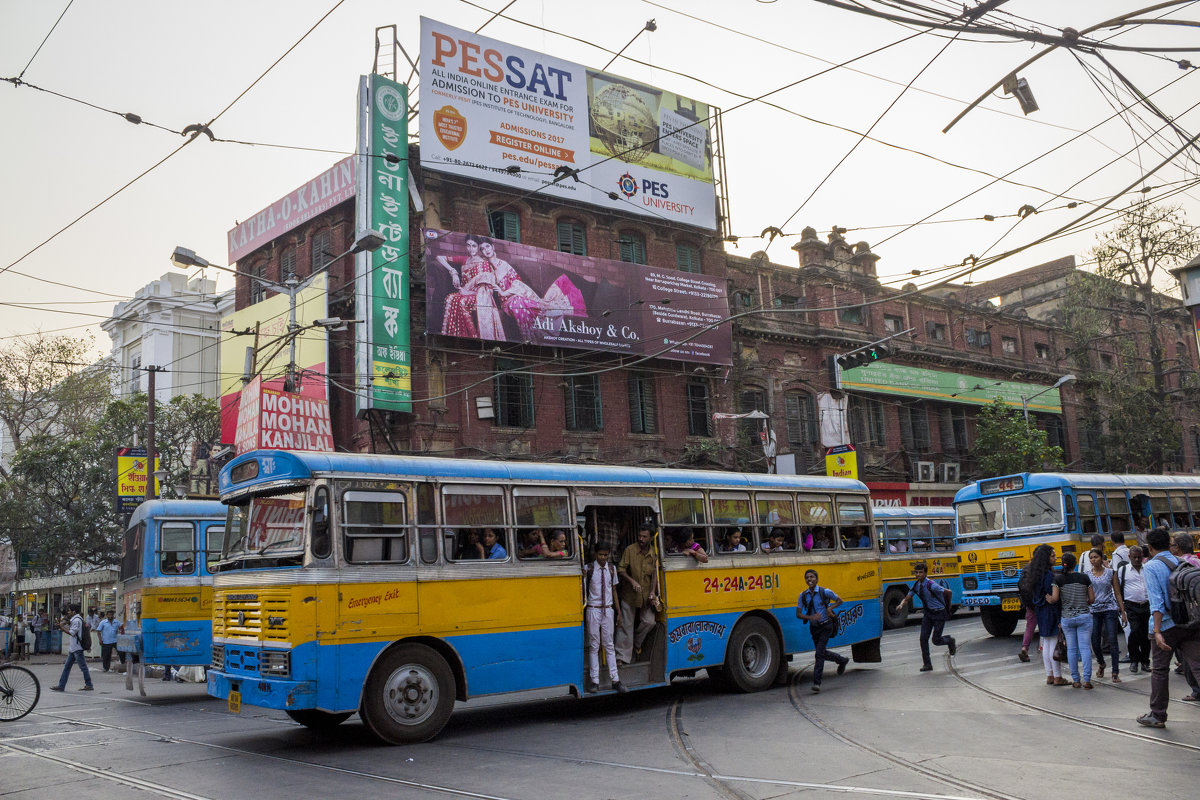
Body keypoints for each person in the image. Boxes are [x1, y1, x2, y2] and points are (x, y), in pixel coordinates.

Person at [1137, 527, 1200, 728]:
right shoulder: (1180, 561)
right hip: (1189, 622)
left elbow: (1156, 602)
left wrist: (1156, 631)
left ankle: (1157, 715)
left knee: (1160, 670)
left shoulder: (1151, 566)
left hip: (1165, 626)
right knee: (1198, 665)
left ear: (1150, 547)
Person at [437, 236, 503, 339]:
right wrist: (453, 271)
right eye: (468, 245)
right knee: (450, 298)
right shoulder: (464, 260)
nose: (471, 249)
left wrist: (468, 293)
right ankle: (454, 336)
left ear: (478, 247)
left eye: (474, 246)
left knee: (462, 301)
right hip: (463, 292)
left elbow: (486, 290)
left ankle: (473, 336)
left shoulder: (484, 263)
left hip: (480, 296)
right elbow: (439, 258)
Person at [895, 562, 957, 672]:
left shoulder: (931, 585)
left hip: (938, 613)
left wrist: (948, 607)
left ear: (925, 573)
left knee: (936, 640)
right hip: (928, 614)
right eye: (916, 572)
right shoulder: (916, 585)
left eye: (920, 572)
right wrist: (901, 604)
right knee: (923, 639)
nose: (918, 575)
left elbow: (948, 592)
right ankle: (927, 664)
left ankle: (950, 641)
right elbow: (907, 597)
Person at [1019, 544, 1067, 685]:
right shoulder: (1048, 575)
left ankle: (1049, 675)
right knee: (1054, 643)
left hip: (1040, 610)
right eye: (1053, 556)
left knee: (1046, 643)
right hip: (1050, 610)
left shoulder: (1034, 574)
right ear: (1046, 558)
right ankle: (1057, 676)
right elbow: (1053, 595)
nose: (1055, 558)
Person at [797, 569, 848, 692]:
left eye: (812, 577)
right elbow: (798, 614)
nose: (809, 579)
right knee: (821, 652)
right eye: (807, 578)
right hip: (814, 628)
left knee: (819, 654)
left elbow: (840, 600)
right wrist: (810, 617)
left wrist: (830, 608)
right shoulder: (803, 595)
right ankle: (842, 660)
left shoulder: (825, 592)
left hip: (826, 626)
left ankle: (817, 683)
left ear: (817, 579)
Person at [616, 526, 660, 665]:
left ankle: (635, 644)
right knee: (626, 626)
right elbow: (621, 569)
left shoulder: (654, 554)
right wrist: (632, 581)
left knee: (649, 622)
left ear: (651, 538)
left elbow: (654, 576)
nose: (641, 539)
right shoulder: (630, 550)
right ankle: (622, 657)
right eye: (640, 536)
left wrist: (653, 592)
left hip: (646, 596)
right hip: (629, 595)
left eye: (644, 537)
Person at [584, 545, 624, 693]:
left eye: (606, 555)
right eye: (601, 555)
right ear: (595, 554)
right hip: (593, 609)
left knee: (609, 645)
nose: (603, 558)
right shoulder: (588, 569)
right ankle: (595, 681)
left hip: (608, 609)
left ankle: (615, 679)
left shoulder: (611, 569)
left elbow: (613, 590)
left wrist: (618, 611)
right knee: (594, 646)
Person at [1086, 548, 1126, 682]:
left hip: (1110, 608)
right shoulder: (1087, 575)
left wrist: (1123, 612)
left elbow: (1117, 592)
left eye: (1095, 557)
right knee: (1095, 641)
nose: (1093, 560)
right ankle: (1101, 663)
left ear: (1101, 558)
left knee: (1113, 640)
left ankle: (1115, 672)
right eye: (1091, 557)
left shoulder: (1110, 573)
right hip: (1094, 611)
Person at [1118, 546, 1151, 674]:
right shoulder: (1123, 570)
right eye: (1134, 557)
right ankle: (1134, 660)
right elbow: (1118, 590)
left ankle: (1145, 661)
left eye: (1139, 557)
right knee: (1134, 631)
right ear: (1129, 557)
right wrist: (1121, 609)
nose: (1137, 560)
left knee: (1146, 635)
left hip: (1146, 605)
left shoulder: (1147, 568)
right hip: (1131, 606)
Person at [49, 604, 94, 692]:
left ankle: (89, 684)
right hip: (73, 648)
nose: (68, 612)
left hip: (77, 648)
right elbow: (70, 623)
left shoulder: (77, 620)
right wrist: (64, 623)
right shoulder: (76, 619)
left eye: (69, 611)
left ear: (73, 612)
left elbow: (72, 633)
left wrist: (62, 628)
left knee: (83, 667)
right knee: (67, 667)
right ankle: (61, 686)